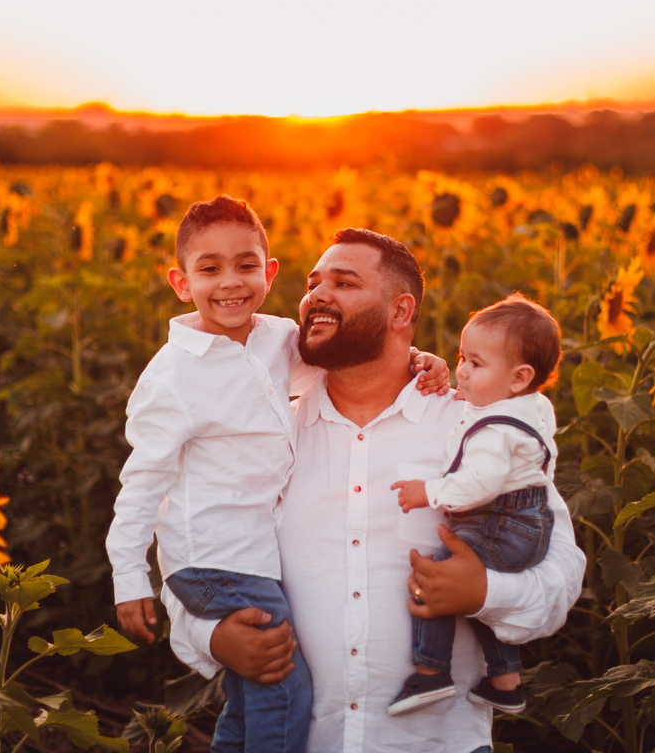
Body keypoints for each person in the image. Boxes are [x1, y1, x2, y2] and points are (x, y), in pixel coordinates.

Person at [164, 228, 586, 753]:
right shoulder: (265, 433)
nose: (317, 295)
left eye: (343, 282)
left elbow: (561, 578)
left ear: (400, 311)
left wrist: (485, 593)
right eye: (313, 282)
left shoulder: (474, 429)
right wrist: (212, 637)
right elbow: (193, 547)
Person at [106, 197, 448, 753]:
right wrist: (129, 579)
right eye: (208, 269)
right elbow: (141, 485)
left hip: (251, 559)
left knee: (251, 698)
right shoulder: (172, 377)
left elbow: (351, 343)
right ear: (180, 282)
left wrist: (422, 361)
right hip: (214, 558)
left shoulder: (275, 339)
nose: (229, 283)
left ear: (268, 273)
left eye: (245, 266)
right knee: (286, 687)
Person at [388, 294, 562, 717]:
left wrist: (426, 492)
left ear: (519, 377)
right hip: (526, 519)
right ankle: (504, 681)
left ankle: (431, 672)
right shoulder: (527, 406)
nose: (462, 370)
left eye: (476, 364)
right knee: (479, 595)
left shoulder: (495, 431)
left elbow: (479, 484)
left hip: (503, 520)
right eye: (461, 357)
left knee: (439, 577)